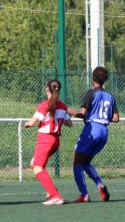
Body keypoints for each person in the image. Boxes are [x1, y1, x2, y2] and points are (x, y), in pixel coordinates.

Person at [68, 66, 119, 202]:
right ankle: (100, 185)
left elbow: (82, 113)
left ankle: (84, 194)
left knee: (76, 162)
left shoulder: (90, 93)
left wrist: (71, 112)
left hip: (92, 128)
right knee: (85, 163)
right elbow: (115, 118)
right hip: (104, 132)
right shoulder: (110, 96)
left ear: (93, 79)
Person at [25, 79, 72, 205]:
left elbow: (31, 122)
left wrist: (27, 124)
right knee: (34, 163)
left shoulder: (44, 105)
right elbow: (69, 123)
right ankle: (51, 191)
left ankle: (56, 196)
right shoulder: (62, 105)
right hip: (55, 141)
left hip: (45, 140)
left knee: (37, 168)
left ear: (47, 90)